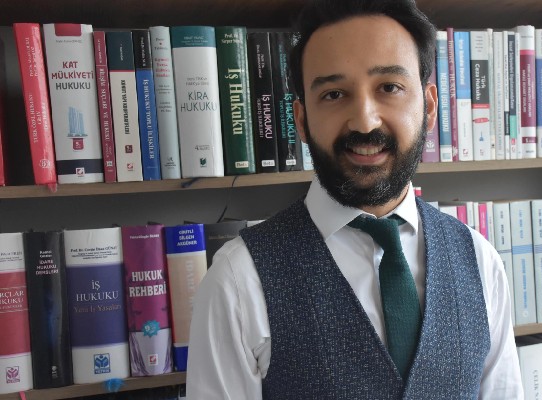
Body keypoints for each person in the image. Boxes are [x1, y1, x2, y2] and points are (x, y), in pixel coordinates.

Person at [186, 0, 523, 398]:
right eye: (334, 94)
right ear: (301, 121)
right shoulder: (237, 280)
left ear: (429, 107)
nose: (364, 121)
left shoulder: (481, 262)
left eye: (389, 88)